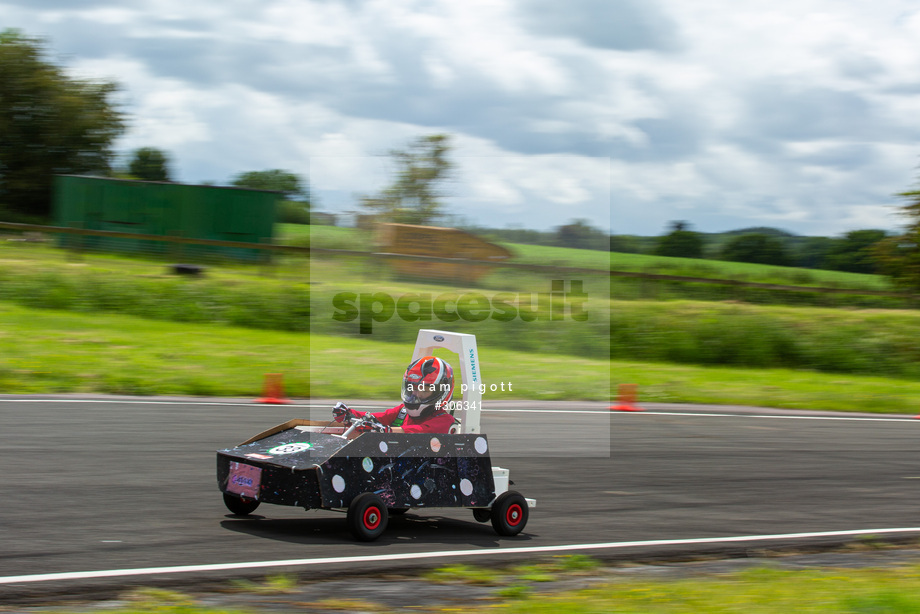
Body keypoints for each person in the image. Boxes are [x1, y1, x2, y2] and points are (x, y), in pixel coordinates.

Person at [333, 355, 457, 434]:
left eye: (423, 390)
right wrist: (349, 415)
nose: (415, 394)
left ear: (441, 392)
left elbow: (419, 432)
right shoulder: (402, 412)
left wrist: (386, 431)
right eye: (412, 388)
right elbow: (376, 418)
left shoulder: (445, 421)